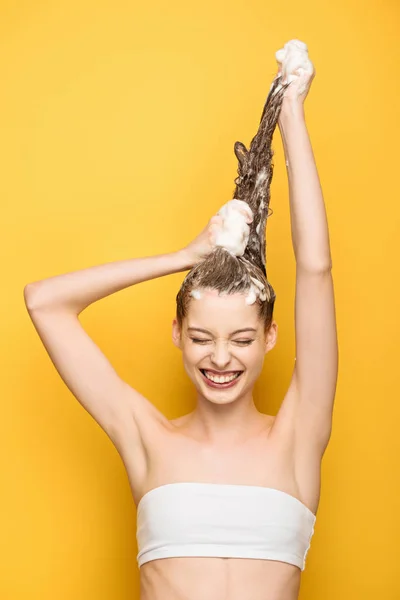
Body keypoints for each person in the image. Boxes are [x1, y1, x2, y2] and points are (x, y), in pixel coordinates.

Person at [24, 51, 338, 600]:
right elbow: (45, 301)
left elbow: (315, 268)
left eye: (241, 339)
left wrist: (290, 115)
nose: (221, 358)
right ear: (177, 333)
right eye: (201, 338)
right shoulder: (145, 437)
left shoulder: (298, 435)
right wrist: (184, 256)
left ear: (269, 337)